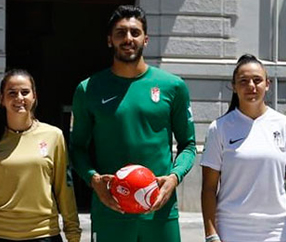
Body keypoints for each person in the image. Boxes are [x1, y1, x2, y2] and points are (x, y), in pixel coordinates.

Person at [70, 5, 196, 241]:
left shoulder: (173, 86)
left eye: (134, 33)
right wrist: (94, 180)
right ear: (110, 40)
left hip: (160, 213)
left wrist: (174, 177)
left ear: (145, 39)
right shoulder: (88, 89)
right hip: (111, 212)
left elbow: (188, 145)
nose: (128, 39)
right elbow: (77, 148)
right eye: (120, 33)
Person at [0, 69, 82, 242]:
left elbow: (65, 190)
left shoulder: (54, 136)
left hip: (42, 234)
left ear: (34, 96)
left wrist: (73, 234)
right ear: (1, 99)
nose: (19, 98)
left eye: (25, 92)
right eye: (12, 93)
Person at [200, 54, 286, 242]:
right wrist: (211, 234)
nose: (251, 86)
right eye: (243, 81)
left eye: (257, 80)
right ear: (234, 86)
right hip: (230, 229)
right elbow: (209, 188)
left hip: (276, 229)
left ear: (267, 84)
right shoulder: (219, 128)